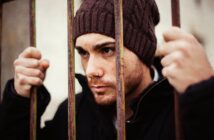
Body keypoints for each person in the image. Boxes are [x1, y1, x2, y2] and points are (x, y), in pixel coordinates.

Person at [0, 0, 214, 139]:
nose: (91, 70)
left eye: (107, 50)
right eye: (83, 53)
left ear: (142, 50)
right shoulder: (74, 111)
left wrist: (206, 96)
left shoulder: (182, 107)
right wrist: (20, 99)